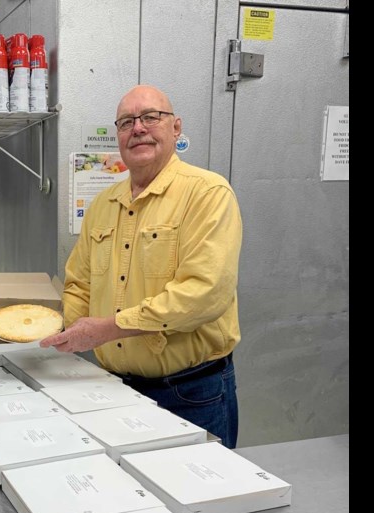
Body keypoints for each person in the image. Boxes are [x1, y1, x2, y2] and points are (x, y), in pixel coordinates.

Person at [40, 85, 243, 448]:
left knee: (196, 498)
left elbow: (204, 293)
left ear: (176, 128)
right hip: (112, 388)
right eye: (127, 122)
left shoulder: (208, 194)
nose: (138, 128)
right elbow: (79, 287)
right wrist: (23, 326)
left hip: (191, 395)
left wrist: (110, 328)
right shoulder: (104, 204)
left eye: (151, 117)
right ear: (118, 135)